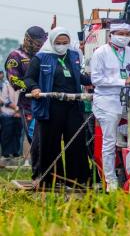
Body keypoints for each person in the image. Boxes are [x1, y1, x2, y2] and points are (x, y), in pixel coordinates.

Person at [25, 27, 91, 187]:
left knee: (76, 142)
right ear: (52, 42)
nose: (62, 45)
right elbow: (29, 78)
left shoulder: (74, 56)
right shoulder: (41, 58)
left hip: (73, 105)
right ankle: (51, 179)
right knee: (50, 143)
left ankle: (78, 179)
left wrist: (93, 80)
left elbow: (79, 77)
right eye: (58, 43)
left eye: (65, 43)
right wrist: (34, 88)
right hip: (50, 105)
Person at [91, 23, 130, 192]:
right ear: (111, 35)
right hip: (107, 101)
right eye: (120, 33)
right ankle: (110, 180)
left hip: (129, 100)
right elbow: (96, 80)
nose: (124, 36)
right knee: (109, 142)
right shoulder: (100, 53)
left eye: (127, 33)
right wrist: (122, 81)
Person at [5, 26, 48, 178]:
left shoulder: (45, 54)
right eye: (37, 43)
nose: (40, 46)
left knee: (49, 140)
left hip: (48, 101)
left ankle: (50, 172)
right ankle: (38, 172)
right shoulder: (15, 56)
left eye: (42, 43)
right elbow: (14, 80)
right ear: (27, 40)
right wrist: (32, 86)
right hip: (29, 105)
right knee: (35, 139)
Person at [0, 80, 22, 164]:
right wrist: (16, 108)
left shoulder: (21, 83)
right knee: (7, 134)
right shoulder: (5, 84)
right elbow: (5, 100)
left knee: (17, 134)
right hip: (7, 113)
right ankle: (5, 154)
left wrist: (19, 110)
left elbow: (23, 97)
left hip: (19, 114)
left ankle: (16, 153)